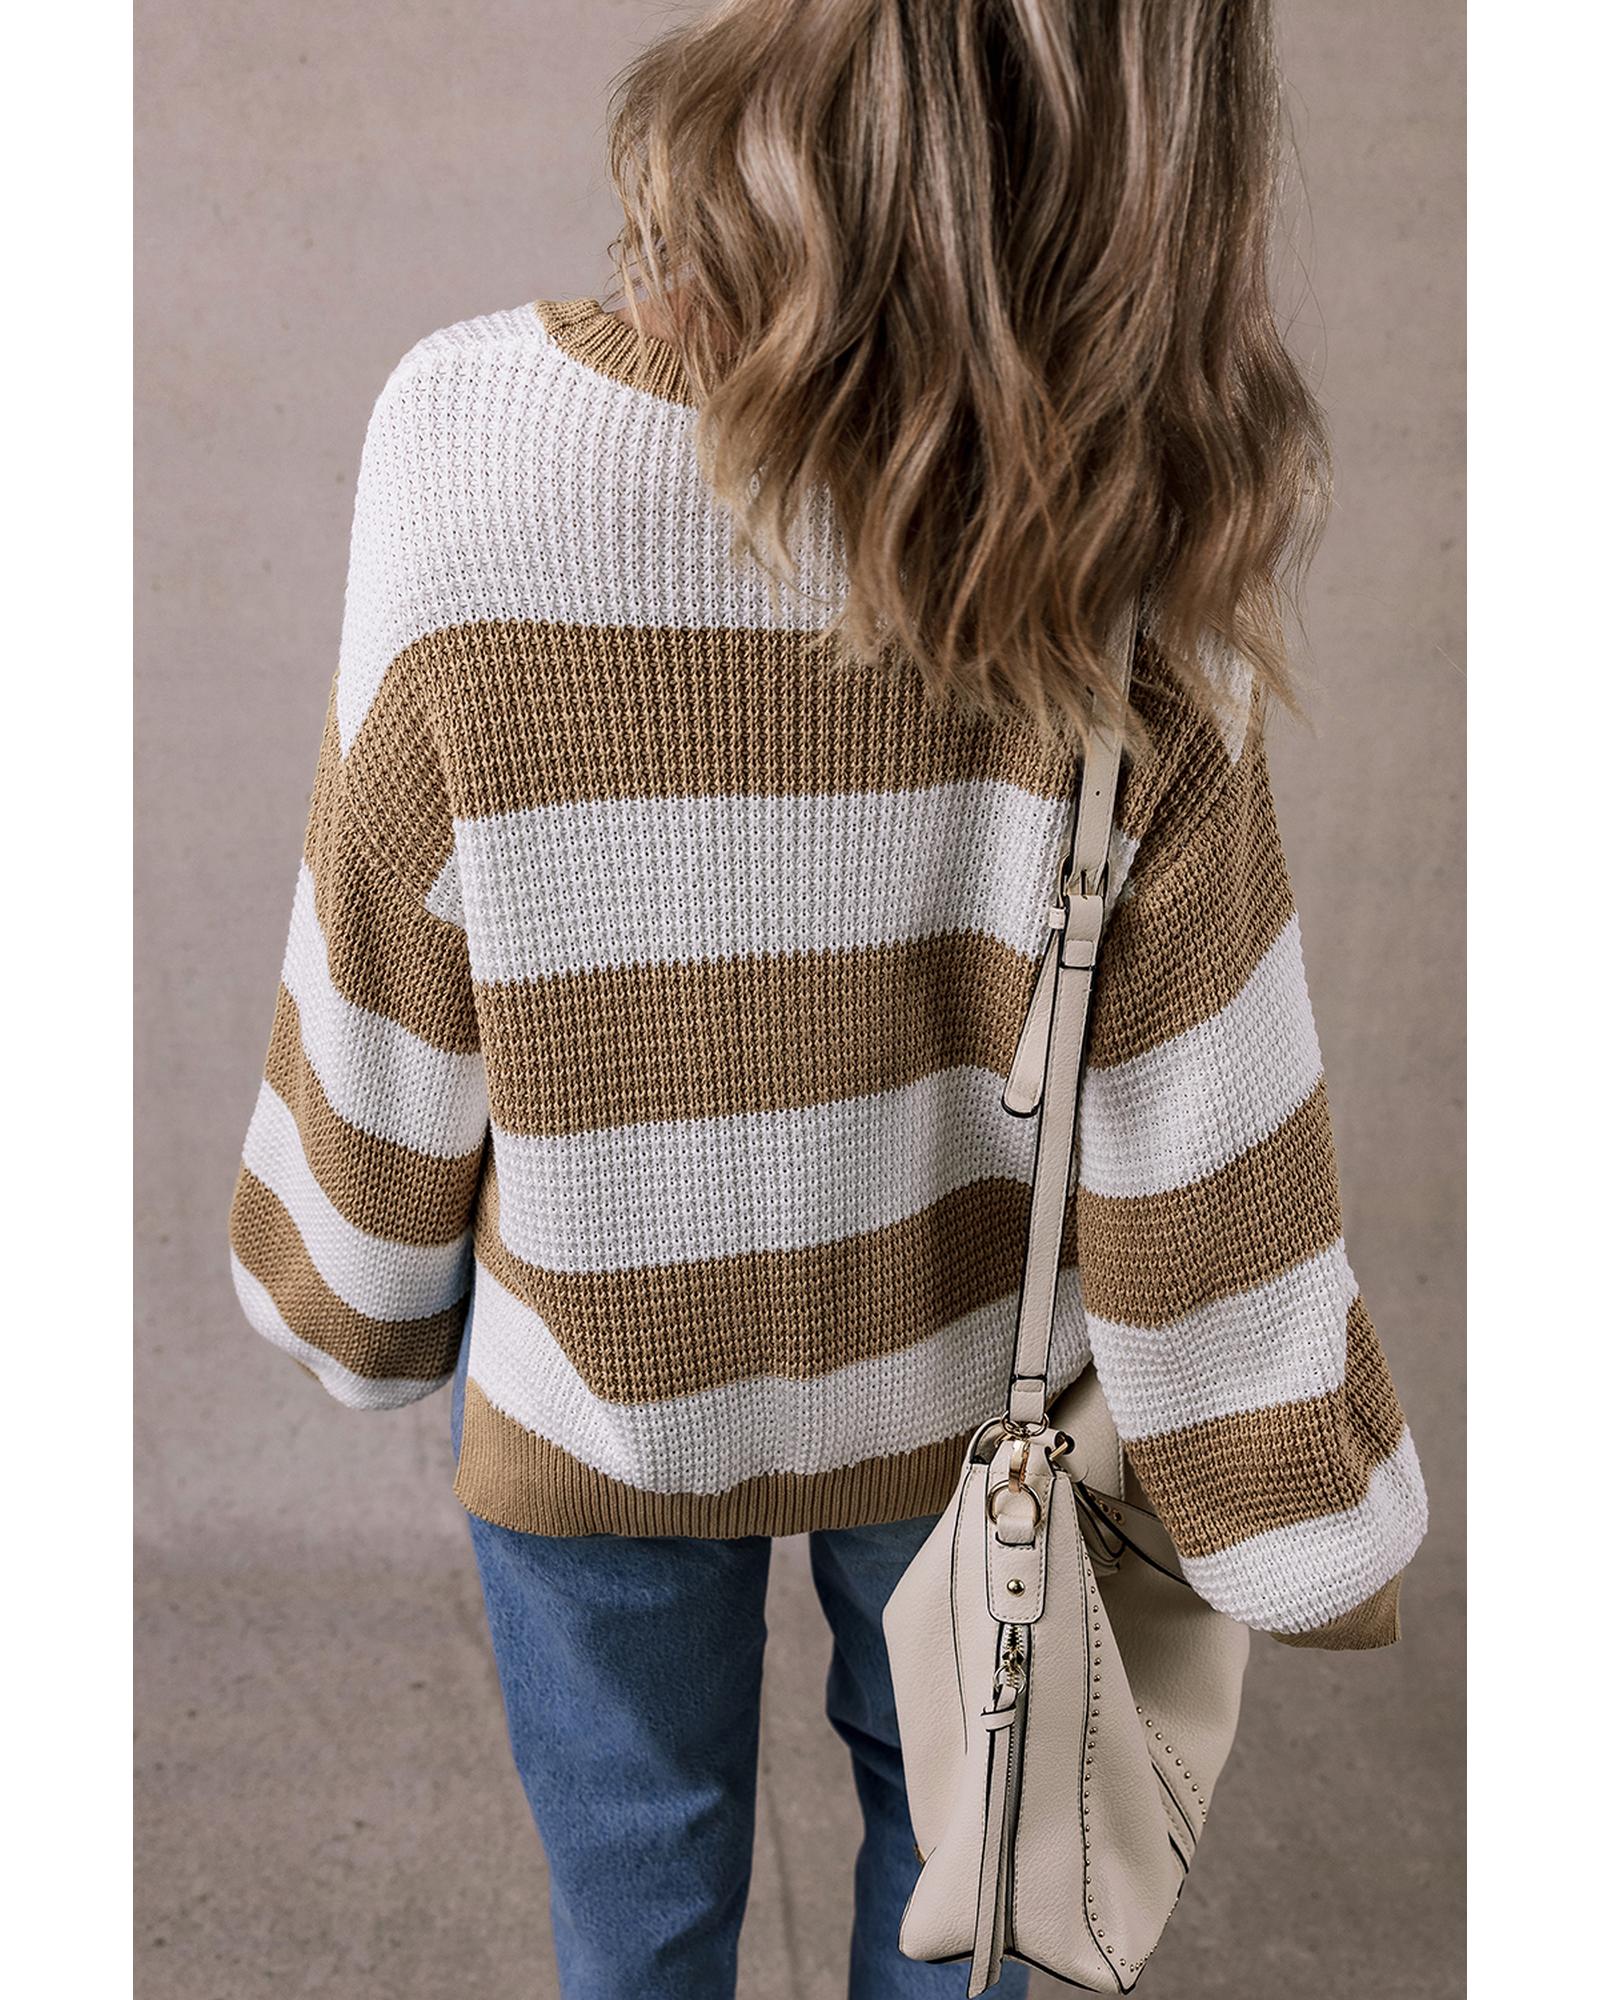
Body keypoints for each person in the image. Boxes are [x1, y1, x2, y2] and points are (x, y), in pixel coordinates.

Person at [225, 1, 1429, 1993]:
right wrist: (1291, 1495)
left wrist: (344, 1290)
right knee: (962, 1870)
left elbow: (384, 947)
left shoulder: (464, 436)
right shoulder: (1123, 519)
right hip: (972, 1387)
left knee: (636, 1894)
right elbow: (1196, 1072)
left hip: (593, 1376)